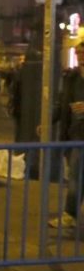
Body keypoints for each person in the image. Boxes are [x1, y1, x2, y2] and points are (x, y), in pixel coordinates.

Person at [50, 42, 84, 229]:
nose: (81, 56)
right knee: (75, 176)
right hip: (75, 134)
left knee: (76, 177)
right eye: (78, 53)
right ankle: (70, 214)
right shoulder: (72, 78)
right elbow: (62, 102)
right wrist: (48, 121)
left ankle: (70, 214)